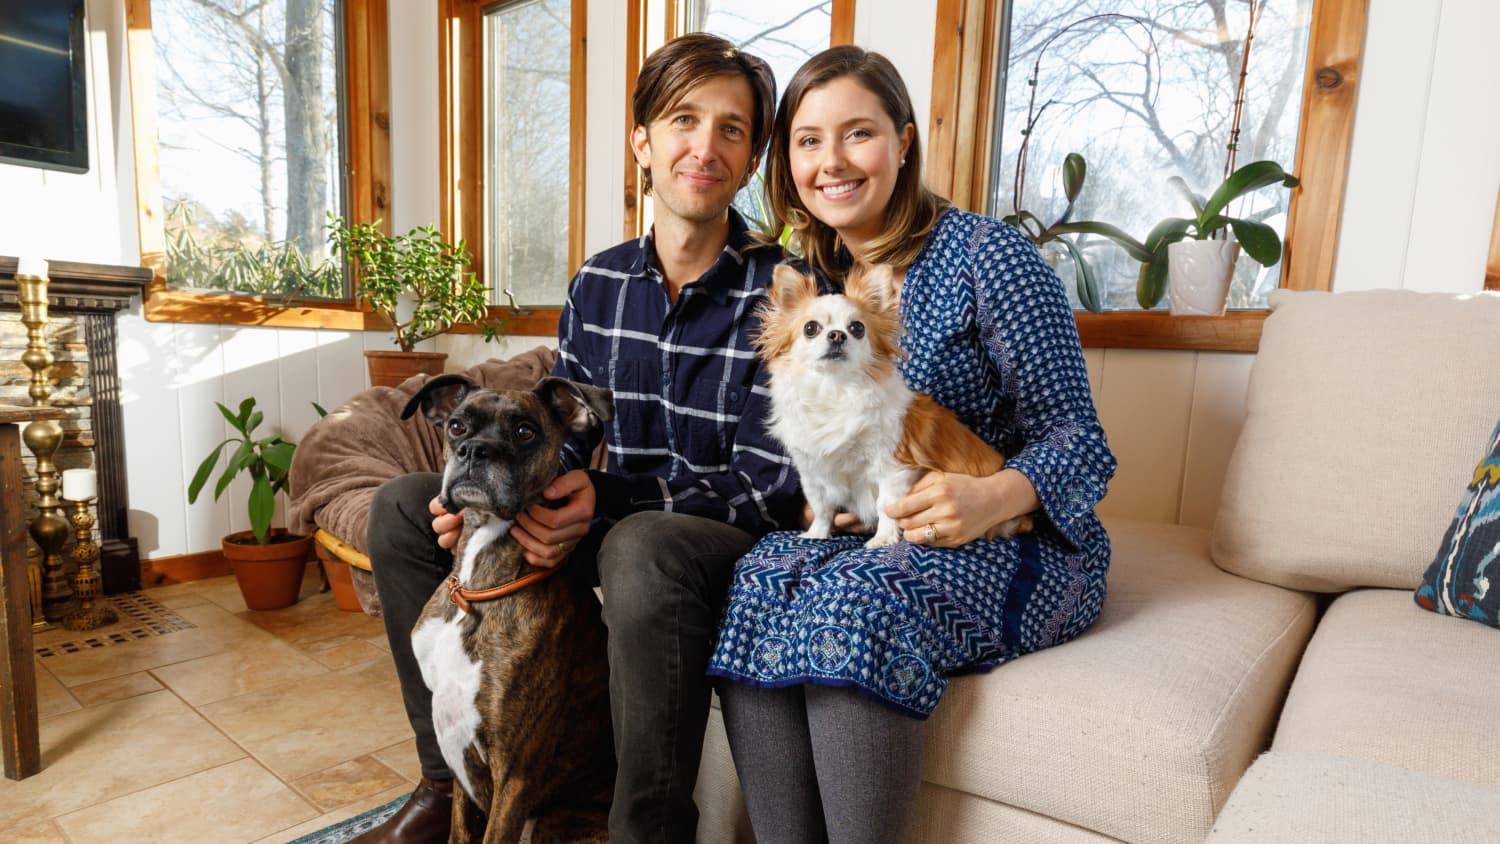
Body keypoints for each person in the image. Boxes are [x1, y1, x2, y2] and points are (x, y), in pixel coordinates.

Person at [356, 33, 801, 844]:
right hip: (601, 519)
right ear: (643, 141)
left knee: (639, 548)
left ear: (750, 158)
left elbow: (767, 488)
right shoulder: (597, 282)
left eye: (732, 129)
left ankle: (645, 829)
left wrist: (602, 507)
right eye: (683, 120)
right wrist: (491, 503)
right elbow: (565, 431)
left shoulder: (784, 292)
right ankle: (443, 779)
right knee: (396, 506)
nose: (705, 146)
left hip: (711, 540)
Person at [705, 45, 1118, 844]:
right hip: (897, 524)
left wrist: (992, 494)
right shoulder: (822, 282)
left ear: (901, 140)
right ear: (788, 163)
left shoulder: (987, 256)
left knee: (864, 598)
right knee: (759, 575)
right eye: (808, 141)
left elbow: (1083, 440)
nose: (832, 161)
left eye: (857, 134)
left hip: (1023, 539)